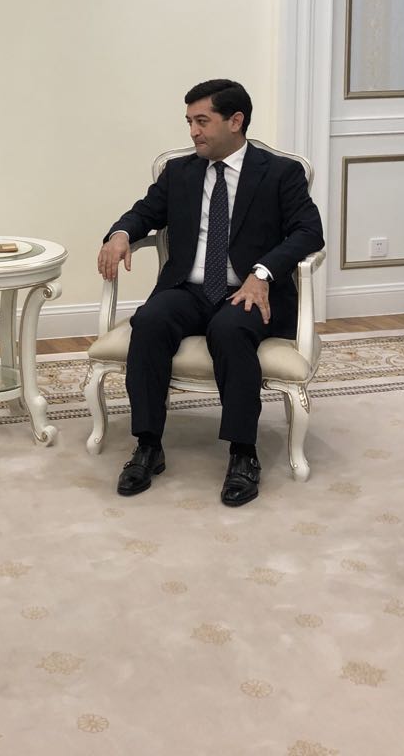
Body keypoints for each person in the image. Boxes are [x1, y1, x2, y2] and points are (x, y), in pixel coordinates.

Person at [97, 79, 324, 505]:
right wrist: (121, 234)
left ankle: (243, 453)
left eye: (202, 121)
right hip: (189, 288)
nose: (193, 132)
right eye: (189, 122)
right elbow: (144, 212)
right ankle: (148, 445)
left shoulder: (279, 173)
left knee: (230, 329)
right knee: (149, 321)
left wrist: (262, 273)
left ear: (235, 121)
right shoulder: (180, 172)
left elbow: (309, 232)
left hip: (249, 292)